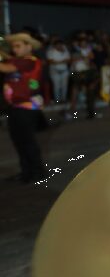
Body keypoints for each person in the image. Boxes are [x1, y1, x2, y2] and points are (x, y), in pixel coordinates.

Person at [0, 32, 47, 183]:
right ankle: (26, 172)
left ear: (29, 47)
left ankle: (37, 171)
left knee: (27, 141)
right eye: (13, 46)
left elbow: (6, 68)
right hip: (15, 107)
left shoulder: (29, 61)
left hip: (26, 107)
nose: (15, 49)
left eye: (18, 46)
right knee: (19, 141)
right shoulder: (19, 60)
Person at [46, 38, 71, 103]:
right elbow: (51, 61)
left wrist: (58, 62)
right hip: (54, 71)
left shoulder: (65, 51)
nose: (59, 46)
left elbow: (68, 60)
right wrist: (62, 61)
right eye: (58, 45)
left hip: (64, 71)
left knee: (64, 86)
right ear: (55, 45)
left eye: (61, 45)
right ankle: (57, 100)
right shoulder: (50, 52)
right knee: (56, 87)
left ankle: (63, 99)